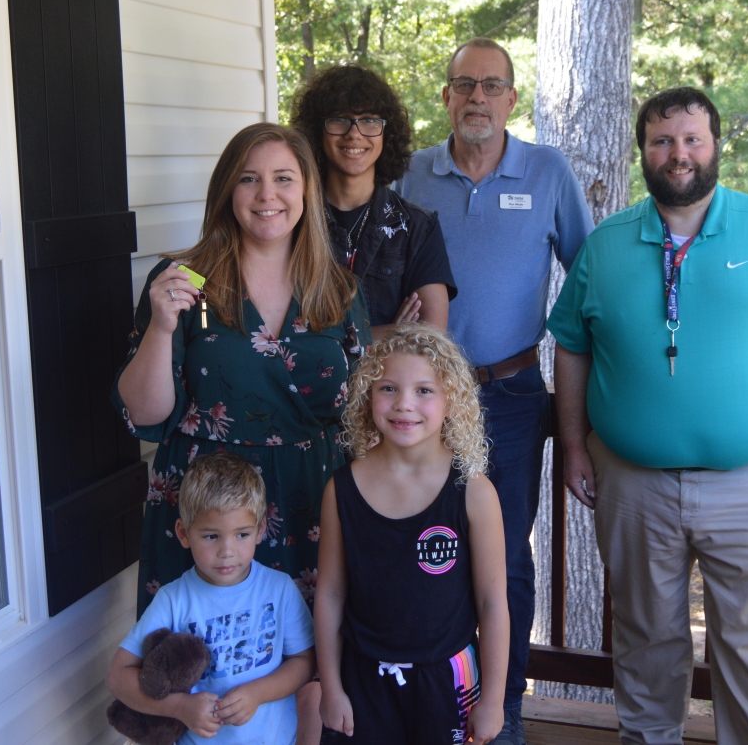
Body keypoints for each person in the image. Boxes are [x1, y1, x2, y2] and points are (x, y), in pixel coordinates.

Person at [547, 86, 748, 745]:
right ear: (643, 153)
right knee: (643, 638)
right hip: (634, 483)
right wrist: (574, 446)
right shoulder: (605, 245)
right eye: (662, 141)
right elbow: (572, 346)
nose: (678, 153)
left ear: (717, 145)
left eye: (692, 138)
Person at [112, 122, 371, 743]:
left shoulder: (337, 288)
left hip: (311, 495)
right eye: (249, 179)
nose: (267, 195)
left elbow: (366, 410)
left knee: (302, 658)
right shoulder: (182, 280)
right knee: (188, 662)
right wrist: (160, 327)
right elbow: (144, 414)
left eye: (284, 178)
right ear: (227, 191)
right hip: (203, 500)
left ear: (306, 191)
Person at [395, 37, 593, 744]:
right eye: (463, 84)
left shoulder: (546, 171)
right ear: (445, 96)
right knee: (421, 547)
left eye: (492, 85)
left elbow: (590, 277)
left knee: (503, 557)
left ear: (512, 98)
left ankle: (500, 714)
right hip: (414, 402)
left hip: (509, 396)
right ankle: (428, 706)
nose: (476, 97)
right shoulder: (410, 175)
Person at [315, 326, 510, 745]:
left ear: (451, 401)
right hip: (363, 679)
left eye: (424, 390)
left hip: (447, 681)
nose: (405, 404)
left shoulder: (473, 492)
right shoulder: (342, 489)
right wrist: (331, 687)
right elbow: (330, 595)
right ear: (368, 396)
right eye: (388, 387)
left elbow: (492, 603)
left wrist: (493, 700)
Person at [107, 451, 316, 744]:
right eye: (211, 536)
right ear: (183, 533)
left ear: (260, 530)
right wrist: (180, 708)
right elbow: (118, 676)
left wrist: (258, 693)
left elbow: (305, 661)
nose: (227, 551)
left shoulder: (279, 589)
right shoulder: (174, 600)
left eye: (242, 534)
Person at [290, 65, 456, 339]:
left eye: (369, 120)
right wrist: (389, 333)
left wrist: (329, 337)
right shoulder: (292, 220)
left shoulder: (418, 228)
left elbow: (429, 340)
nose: (354, 133)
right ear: (317, 130)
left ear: (386, 133)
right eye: (339, 119)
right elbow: (281, 332)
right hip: (308, 383)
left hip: (386, 382)